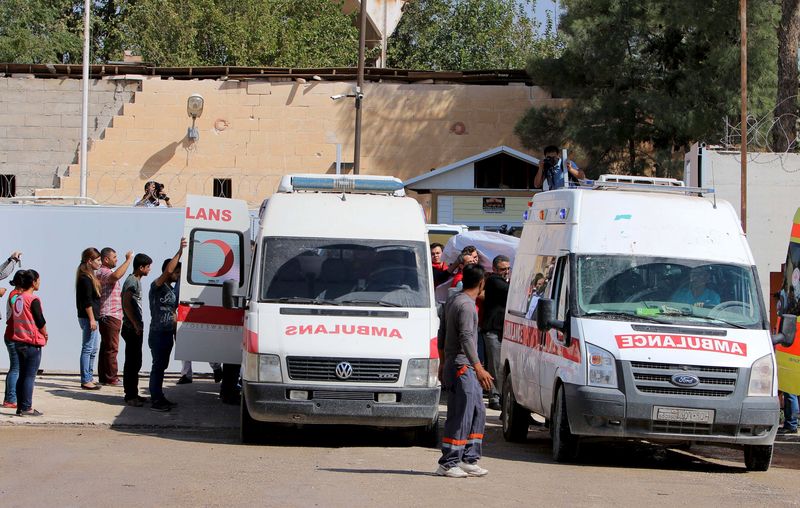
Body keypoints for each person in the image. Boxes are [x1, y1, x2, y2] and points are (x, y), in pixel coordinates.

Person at [436, 264, 494, 478]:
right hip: (463, 367)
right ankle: (448, 462)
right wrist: (479, 368)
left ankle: (469, 458)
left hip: (458, 364)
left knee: (478, 410)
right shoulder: (467, 306)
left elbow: (442, 333)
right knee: (461, 415)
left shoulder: (453, 300)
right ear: (481, 283)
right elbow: (467, 338)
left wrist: (443, 363)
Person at [148, 238, 187, 412]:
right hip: (157, 333)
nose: (177, 275)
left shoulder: (171, 290)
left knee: (162, 366)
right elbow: (170, 269)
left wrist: (176, 333)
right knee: (158, 366)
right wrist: (179, 251)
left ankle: (159, 396)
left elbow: (173, 312)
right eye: (176, 272)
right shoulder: (157, 285)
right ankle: (156, 399)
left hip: (167, 333)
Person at [10, 270, 47, 416]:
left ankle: (20, 406)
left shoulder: (17, 298)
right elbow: (40, 320)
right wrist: (45, 333)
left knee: (22, 375)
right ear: (33, 282)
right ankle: (26, 407)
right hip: (31, 342)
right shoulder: (33, 299)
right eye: (38, 280)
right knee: (29, 376)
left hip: (19, 340)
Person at [96, 247, 133, 386]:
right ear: (106, 259)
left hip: (111, 315)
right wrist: (128, 260)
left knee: (106, 347)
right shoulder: (104, 272)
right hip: (110, 314)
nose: (116, 259)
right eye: (114, 257)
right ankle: (111, 377)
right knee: (112, 348)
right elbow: (116, 276)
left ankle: (104, 376)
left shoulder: (104, 271)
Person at [121, 253, 152, 406]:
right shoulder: (132, 282)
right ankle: (130, 395)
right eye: (148, 267)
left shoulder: (136, 281)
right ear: (141, 267)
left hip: (135, 327)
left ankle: (134, 393)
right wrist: (134, 323)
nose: (150, 270)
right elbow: (126, 304)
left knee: (136, 361)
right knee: (132, 362)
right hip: (131, 328)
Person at [481, 255, 511, 411]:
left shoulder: (503, 281)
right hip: (492, 330)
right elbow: (510, 291)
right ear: (494, 269)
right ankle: (494, 396)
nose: (506, 272)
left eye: (508, 268)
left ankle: (501, 396)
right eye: (502, 269)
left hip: (502, 331)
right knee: (495, 365)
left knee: (501, 365)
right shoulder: (493, 280)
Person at [76, 248, 103, 390]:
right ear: (89, 261)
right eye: (98, 260)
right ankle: (85, 379)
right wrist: (92, 319)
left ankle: (90, 376)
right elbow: (87, 302)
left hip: (93, 318)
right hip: (88, 318)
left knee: (93, 349)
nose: (100, 263)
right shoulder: (85, 278)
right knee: (87, 348)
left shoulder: (90, 277)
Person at [3, 269, 25, 408]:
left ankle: (10, 397)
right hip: (13, 336)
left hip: (12, 335)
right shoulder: (15, 296)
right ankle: (11, 399)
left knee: (15, 368)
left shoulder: (16, 294)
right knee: (16, 368)